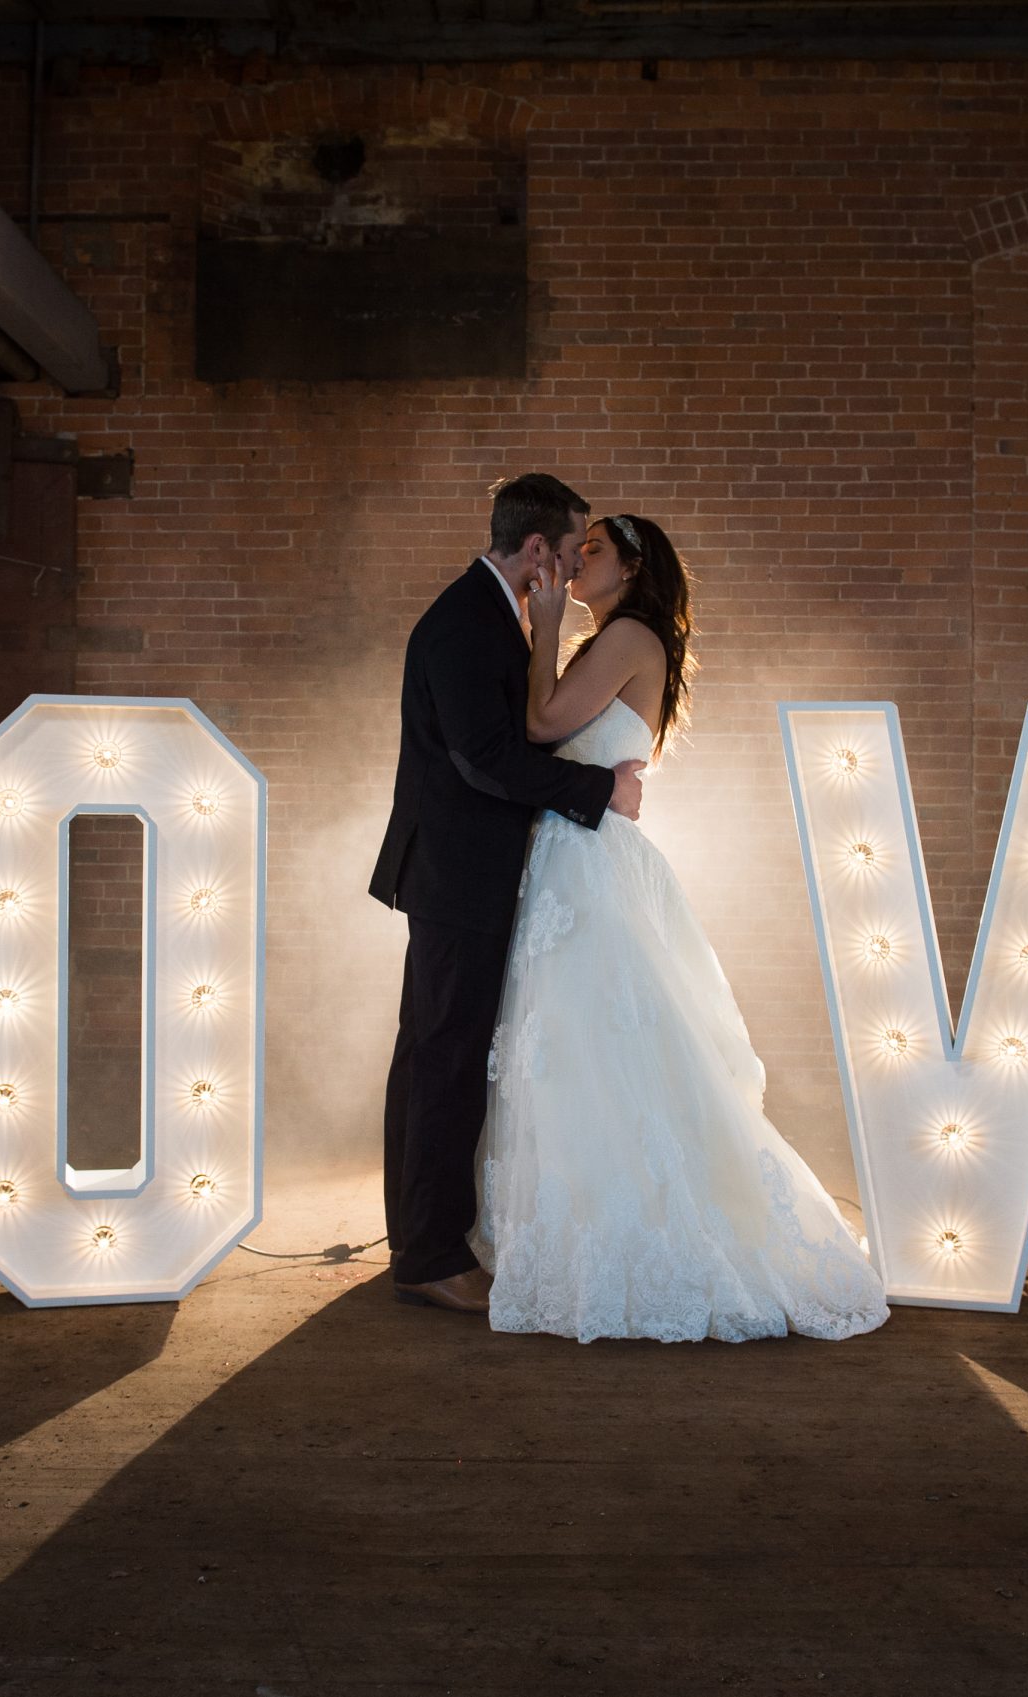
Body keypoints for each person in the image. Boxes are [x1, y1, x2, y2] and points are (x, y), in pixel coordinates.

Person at [472, 512, 890, 1342]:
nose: (575, 561)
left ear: (632, 569)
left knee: (595, 1045)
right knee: (574, 1051)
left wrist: (544, 627)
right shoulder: (615, 641)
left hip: (585, 864)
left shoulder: (627, 638)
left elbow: (542, 726)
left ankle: (636, 1244)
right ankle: (579, 1229)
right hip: (573, 855)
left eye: (594, 550)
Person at [368, 474, 648, 1314]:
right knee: (445, 1058)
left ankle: (417, 1239)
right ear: (536, 549)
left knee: (431, 1051)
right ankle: (429, 1255)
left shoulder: (491, 613)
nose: (573, 566)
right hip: (458, 871)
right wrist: (600, 789)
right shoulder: (466, 621)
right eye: (569, 550)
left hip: (460, 868)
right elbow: (485, 758)